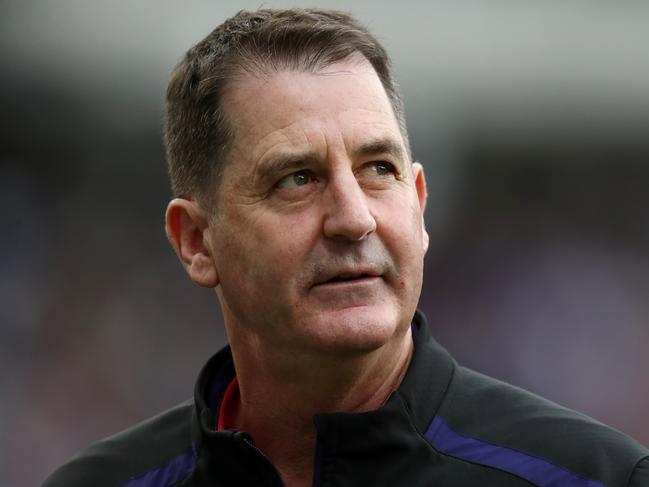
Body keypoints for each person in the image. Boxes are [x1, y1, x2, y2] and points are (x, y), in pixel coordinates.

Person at [43, 8, 648, 487]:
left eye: (377, 169)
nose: (354, 219)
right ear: (197, 242)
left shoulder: (596, 477)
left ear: (418, 202)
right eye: (297, 178)